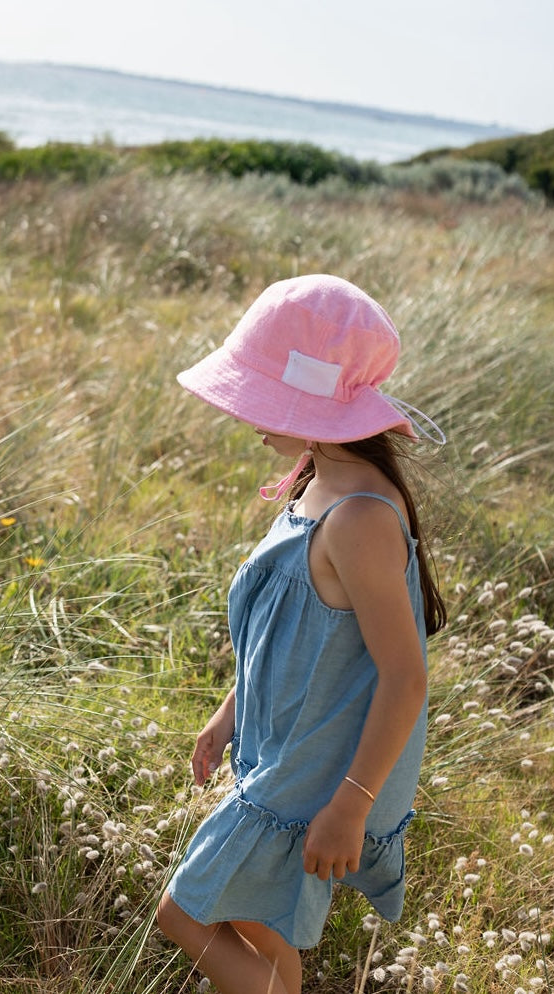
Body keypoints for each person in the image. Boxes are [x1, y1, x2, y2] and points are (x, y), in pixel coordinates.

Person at [156, 274, 447, 994]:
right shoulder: (315, 478)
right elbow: (289, 630)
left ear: (316, 407)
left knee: (182, 915)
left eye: (261, 399)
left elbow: (405, 676)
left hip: (318, 772)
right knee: (265, 932)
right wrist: (230, 714)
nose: (248, 417)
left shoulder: (360, 518)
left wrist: (350, 803)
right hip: (283, 747)